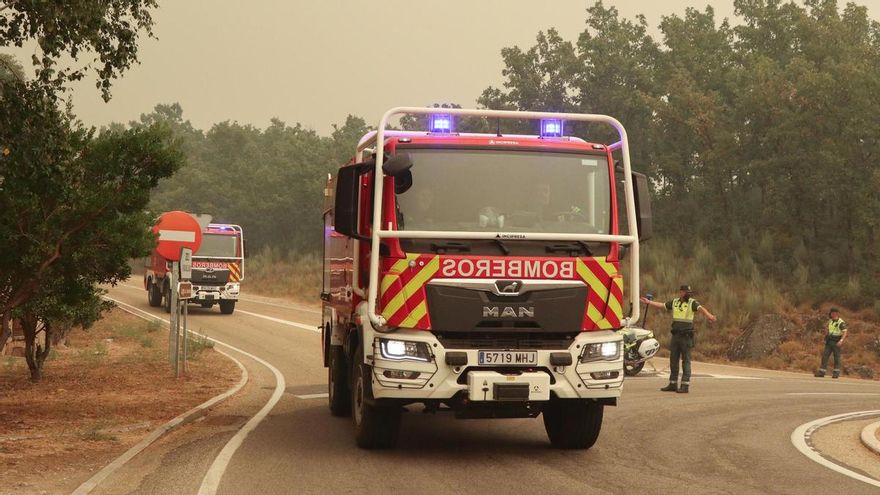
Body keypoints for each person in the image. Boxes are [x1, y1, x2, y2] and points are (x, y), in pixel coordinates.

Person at [641, 285, 717, 394]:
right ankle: (673, 383)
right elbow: (663, 305)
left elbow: (701, 308)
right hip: (676, 335)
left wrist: (709, 315)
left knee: (686, 361)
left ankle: (685, 385)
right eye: (686, 292)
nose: (688, 294)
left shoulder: (692, 302)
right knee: (673, 360)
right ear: (681, 292)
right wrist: (649, 302)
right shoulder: (675, 302)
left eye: (689, 292)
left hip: (686, 336)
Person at [814, 308, 848, 379]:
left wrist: (841, 341)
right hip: (829, 341)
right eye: (831, 313)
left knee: (836, 357)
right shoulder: (830, 321)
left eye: (832, 313)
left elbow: (845, 332)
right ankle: (822, 372)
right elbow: (828, 330)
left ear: (836, 313)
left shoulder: (841, 322)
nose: (831, 314)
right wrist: (825, 338)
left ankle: (836, 373)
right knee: (825, 356)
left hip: (836, 341)